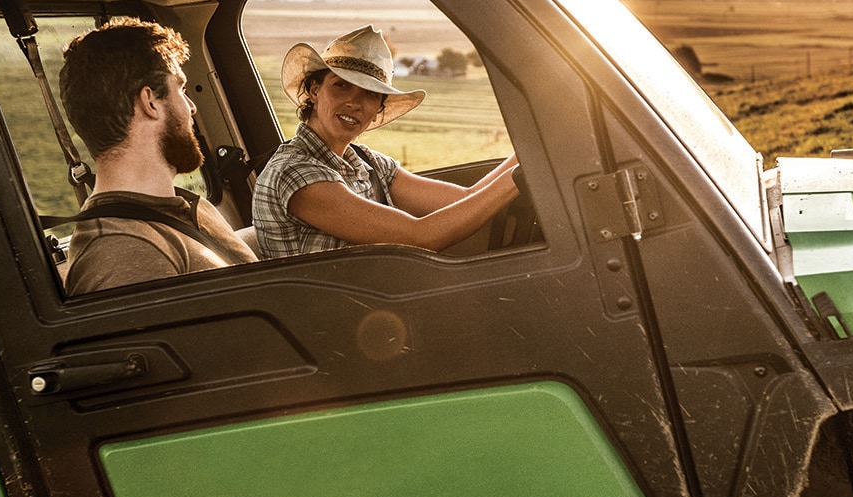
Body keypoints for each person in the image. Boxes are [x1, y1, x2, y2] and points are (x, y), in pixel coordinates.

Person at [253, 25, 519, 259]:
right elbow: (419, 236)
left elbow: (465, 199)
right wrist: (520, 175)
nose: (354, 103)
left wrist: (530, 155)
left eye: (370, 94)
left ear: (378, 108)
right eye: (341, 85)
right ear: (314, 91)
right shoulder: (295, 171)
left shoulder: (367, 162)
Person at [58, 16, 257, 294]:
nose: (192, 108)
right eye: (181, 89)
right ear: (150, 102)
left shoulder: (187, 206)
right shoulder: (123, 250)